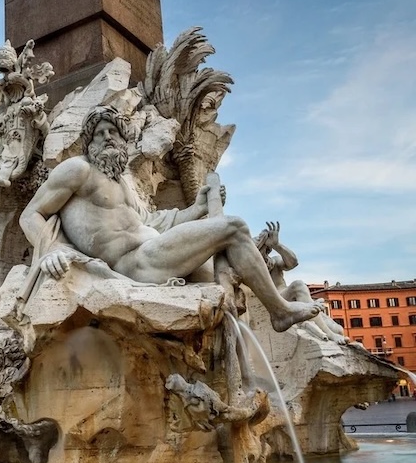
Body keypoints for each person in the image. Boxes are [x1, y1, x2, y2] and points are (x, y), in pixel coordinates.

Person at [19, 105, 321, 332]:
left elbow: (150, 222)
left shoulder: (122, 181)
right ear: (89, 143)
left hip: (156, 251)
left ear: (123, 139)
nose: (108, 138)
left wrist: (198, 208)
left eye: (113, 132)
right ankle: (280, 311)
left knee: (227, 284)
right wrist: (52, 249)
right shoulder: (77, 170)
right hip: (136, 264)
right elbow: (31, 213)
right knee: (236, 228)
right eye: (100, 134)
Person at [253, 221, 348, 343]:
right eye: (262, 250)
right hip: (277, 302)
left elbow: (293, 262)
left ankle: (322, 320)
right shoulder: (252, 268)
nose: (264, 253)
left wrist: (277, 245)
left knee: (339, 329)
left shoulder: (274, 262)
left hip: (293, 299)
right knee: (298, 285)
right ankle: (329, 335)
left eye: (267, 250)